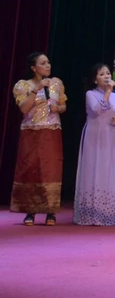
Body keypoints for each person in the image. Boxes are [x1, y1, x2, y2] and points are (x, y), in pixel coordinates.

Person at [11, 52, 68, 226]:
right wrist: (37, 89)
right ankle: (30, 210)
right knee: (32, 168)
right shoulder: (23, 85)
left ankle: (51, 211)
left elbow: (64, 105)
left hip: (51, 131)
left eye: (49, 62)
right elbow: (23, 108)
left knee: (50, 169)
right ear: (34, 68)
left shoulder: (57, 83)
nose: (48, 65)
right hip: (31, 132)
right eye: (43, 63)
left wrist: (59, 108)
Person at [74, 63, 115, 226]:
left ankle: (105, 214)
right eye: (102, 74)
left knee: (107, 170)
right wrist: (108, 92)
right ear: (95, 79)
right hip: (94, 136)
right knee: (92, 168)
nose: (106, 76)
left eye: (108, 73)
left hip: (110, 136)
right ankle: (88, 214)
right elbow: (97, 109)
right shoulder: (90, 94)